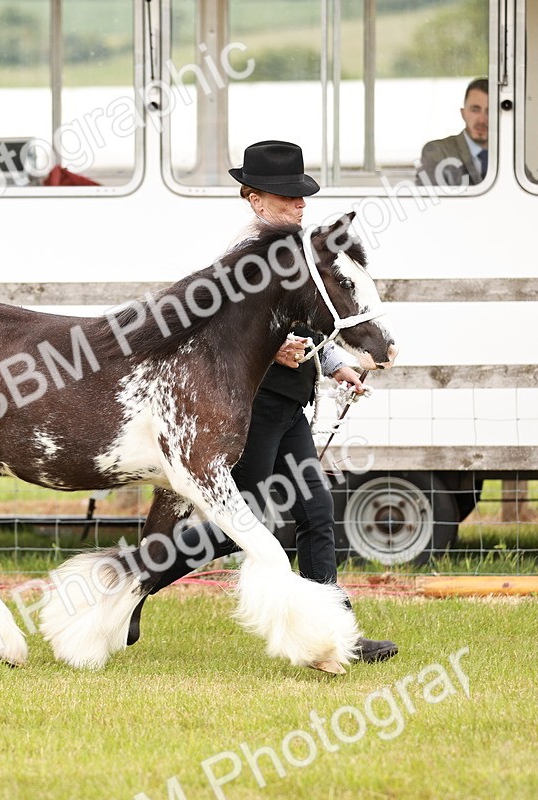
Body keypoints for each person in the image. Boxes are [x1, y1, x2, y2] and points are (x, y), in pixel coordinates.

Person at [135, 140, 398, 663]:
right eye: (287, 197)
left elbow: (306, 319)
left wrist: (334, 364)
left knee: (317, 512)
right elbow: (222, 332)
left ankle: (337, 633)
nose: (300, 205)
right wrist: (273, 348)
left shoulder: (295, 250)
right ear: (254, 199)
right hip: (249, 409)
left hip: (291, 406)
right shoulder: (239, 258)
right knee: (249, 522)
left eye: (302, 196)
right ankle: (130, 581)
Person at [418, 78, 489, 188]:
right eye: (475, 110)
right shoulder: (437, 152)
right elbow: (432, 200)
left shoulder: (511, 157)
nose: (482, 120)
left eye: (490, 111)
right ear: (463, 113)